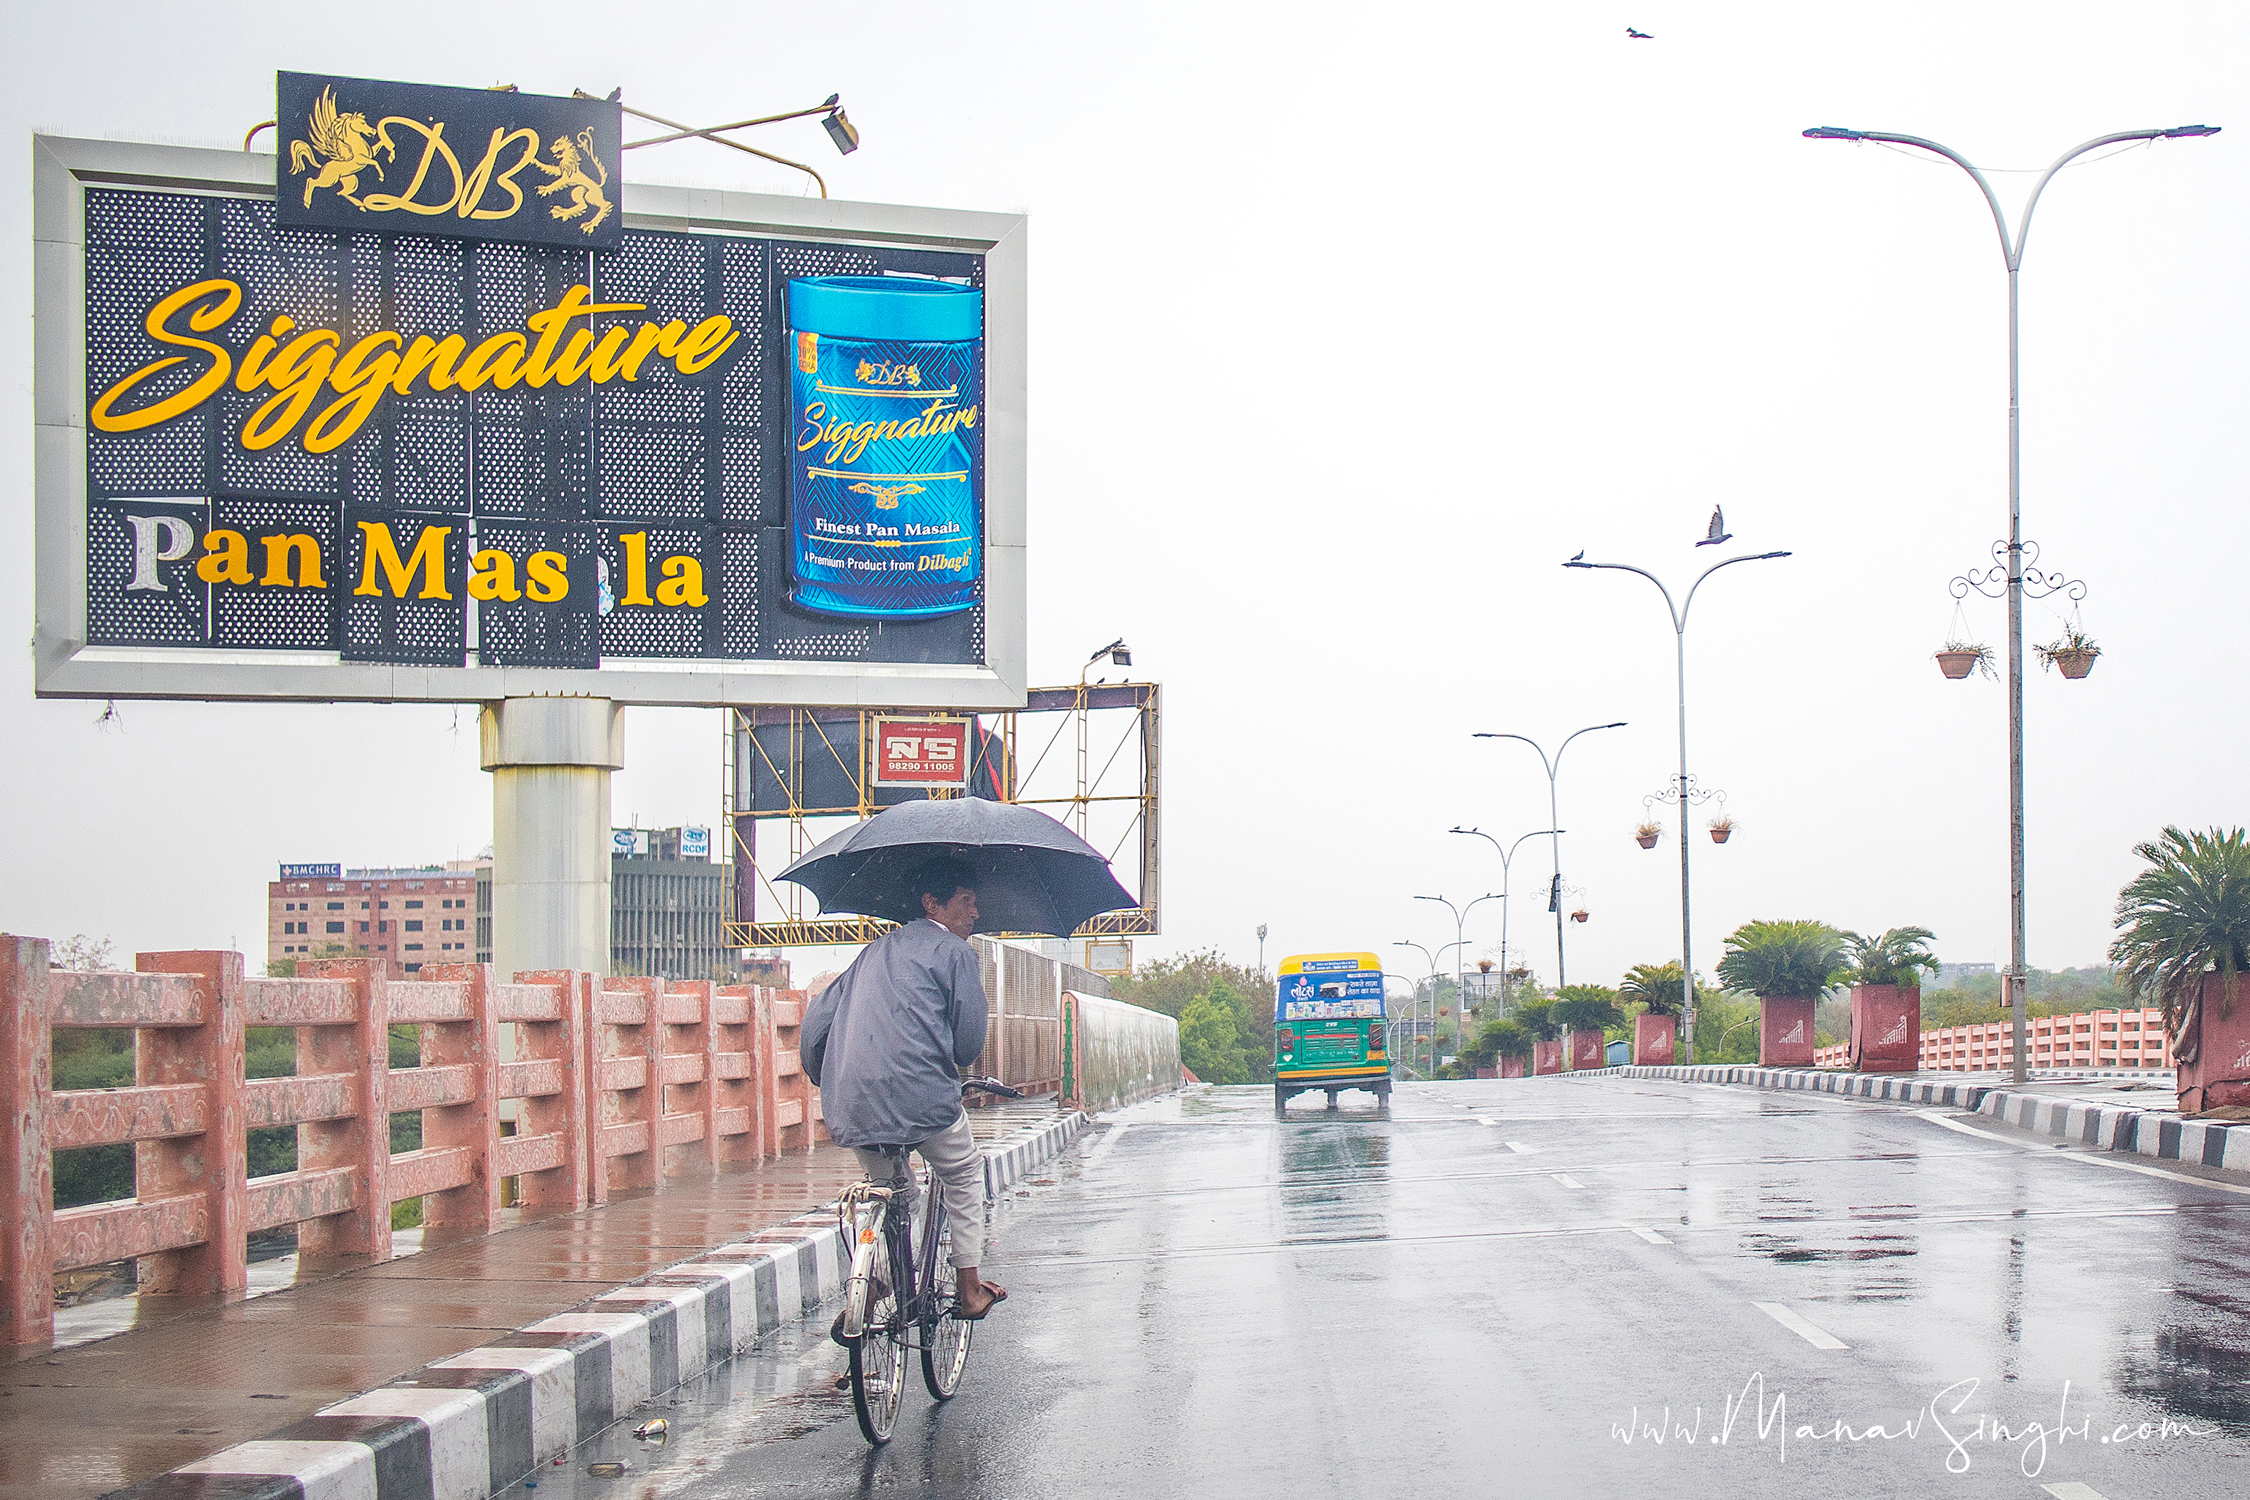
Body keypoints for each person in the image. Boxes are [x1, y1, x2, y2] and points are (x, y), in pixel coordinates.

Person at [802, 855, 1008, 1320]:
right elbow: (967, 1045)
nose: (975, 914)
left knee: (892, 1192)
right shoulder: (955, 953)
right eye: (967, 902)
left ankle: (871, 1287)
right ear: (932, 903)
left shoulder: (872, 951)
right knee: (962, 1172)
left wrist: (830, 1079)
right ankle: (971, 1287)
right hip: (921, 1097)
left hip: (851, 1100)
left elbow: (816, 1025)